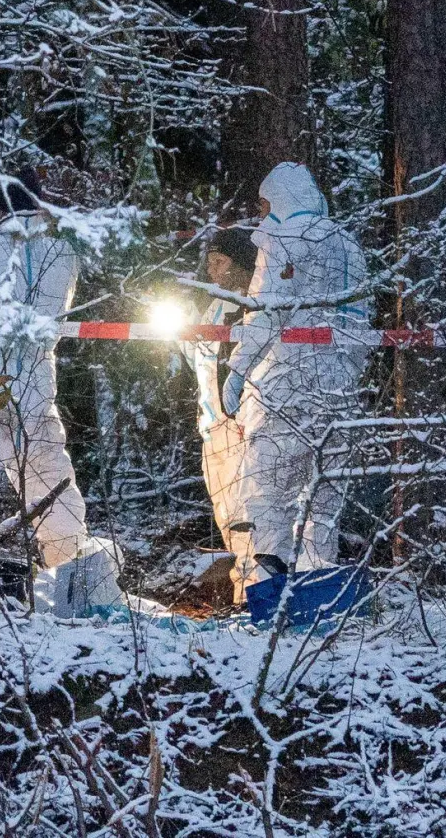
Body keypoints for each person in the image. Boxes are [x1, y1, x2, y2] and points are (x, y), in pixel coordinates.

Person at [0, 169, 123, 615]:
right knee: (53, 490)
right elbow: (60, 305)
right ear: (39, 205)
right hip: (36, 390)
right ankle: (78, 594)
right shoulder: (61, 253)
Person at [222, 162, 370, 589]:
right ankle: (317, 595)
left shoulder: (284, 240)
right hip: (342, 385)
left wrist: (238, 369)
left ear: (281, 198)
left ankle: (271, 595)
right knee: (323, 500)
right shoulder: (347, 244)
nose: (264, 213)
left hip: (290, 380)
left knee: (267, 487)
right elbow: (360, 321)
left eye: (267, 203)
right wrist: (346, 372)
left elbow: (267, 314)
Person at [180, 231, 257, 602]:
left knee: (249, 515)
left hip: (241, 427)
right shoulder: (210, 305)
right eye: (209, 261)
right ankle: (243, 593)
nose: (212, 270)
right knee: (227, 515)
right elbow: (195, 356)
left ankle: (253, 597)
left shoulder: (252, 308)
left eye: (220, 262)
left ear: (241, 266)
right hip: (212, 425)